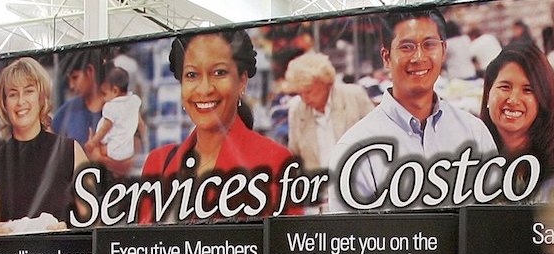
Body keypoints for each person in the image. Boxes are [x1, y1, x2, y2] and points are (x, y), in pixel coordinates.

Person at [328, 9, 497, 213]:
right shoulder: (355, 150)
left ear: (443, 50)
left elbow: (491, 220)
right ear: (386, 57)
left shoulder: (474, 133)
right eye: (406, 47)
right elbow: (348, 232)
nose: (419, 57)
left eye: (429, 44)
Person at [138, 29, 298, 223]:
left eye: (219, 73)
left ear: (241, 81)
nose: (205, 89)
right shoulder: (157, 163)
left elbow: (289, 241)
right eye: (191, 75)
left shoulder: (276, 162)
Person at [0, 57, 87, 231]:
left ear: (42, 97)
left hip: (63, 248)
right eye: (13, 94)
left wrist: (68, 230)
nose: (21, 101)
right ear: (4, 103)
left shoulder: (71, 151)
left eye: (29, 91)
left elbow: (93, 222)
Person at [480, 41, 554, 189]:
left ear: (543, 98)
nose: (513, 100)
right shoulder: (470, 152)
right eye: (505, 87)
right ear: (488, 93)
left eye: (528, 90)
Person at [283, 51, 374, 171]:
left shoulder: (354, 96)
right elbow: (295, 156)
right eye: (300, 93)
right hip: (318, 180)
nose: (304, 98)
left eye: (308, 91)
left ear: (325, 82)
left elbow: (377, 138)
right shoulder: (297, 111)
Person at [85, 66, 146, 172]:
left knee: (101, 150)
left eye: (104, 94)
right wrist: (145, 138)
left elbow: (104, 129)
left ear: (115, 91)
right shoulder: (133, 101)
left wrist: (93, 143)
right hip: (128, 149)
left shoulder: (111, 107)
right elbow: (141, 124)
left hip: (114, 151)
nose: (103, 99)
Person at [52, 47, 109, 146]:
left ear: (89, 71)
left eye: (75, 77)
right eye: (69, 79)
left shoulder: (117, 106)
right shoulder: (68, 109)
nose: (71, 85)